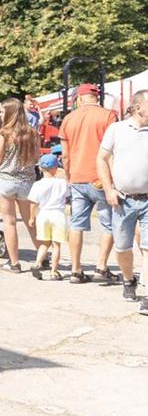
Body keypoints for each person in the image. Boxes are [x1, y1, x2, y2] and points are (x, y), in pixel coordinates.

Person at [59, 82, 118, 284]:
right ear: (95, 97)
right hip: (102, 179)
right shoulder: (108, 116)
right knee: (109, 225)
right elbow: (114, 149)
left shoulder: (68, 119)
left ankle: (76, 270)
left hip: (77, 177)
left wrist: (68, 175)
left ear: (79, 98)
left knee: (76, 224)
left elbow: (65, 156)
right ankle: (101, 266)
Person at [96, 89, 148, 311]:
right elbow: (101, 158)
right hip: (122, 200)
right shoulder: (117, 129)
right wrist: (108, 189)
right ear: (138, 107)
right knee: (123, 248)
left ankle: (146, 294)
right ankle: (129, 280)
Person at [0, 97, 41, 272]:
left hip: (7, 181)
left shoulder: (5, 133)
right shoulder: (32, 132)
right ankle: (42, 256)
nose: (0, 114)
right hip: (26, 182)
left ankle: (14, 262)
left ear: (9, 113)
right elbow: (37, 157)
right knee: (30, 222)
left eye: (2, 111)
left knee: (9, 223)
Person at [27, 153, 70, 280]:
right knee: (56, 245)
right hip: (58, 215)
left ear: (40, 168)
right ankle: (54, 272)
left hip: (43, 215)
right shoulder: (62, 183)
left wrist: (31, 218)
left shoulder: (37, 185)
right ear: (56, 168)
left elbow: (33, 204)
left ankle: (37, 263)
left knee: (44, 244)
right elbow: (67, 196)